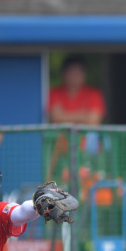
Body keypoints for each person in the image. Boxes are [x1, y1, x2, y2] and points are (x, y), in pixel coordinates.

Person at [47, 55, 106, 185]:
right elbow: (56, 118)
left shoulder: (93, 94)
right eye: (71, 72)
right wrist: (83, 115)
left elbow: (93, 121)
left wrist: (66, 117)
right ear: (64, 74)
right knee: (60, 185)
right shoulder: (54, 93)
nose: (74, 76)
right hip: (61, 150)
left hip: (87, 151)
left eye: (78, 73)